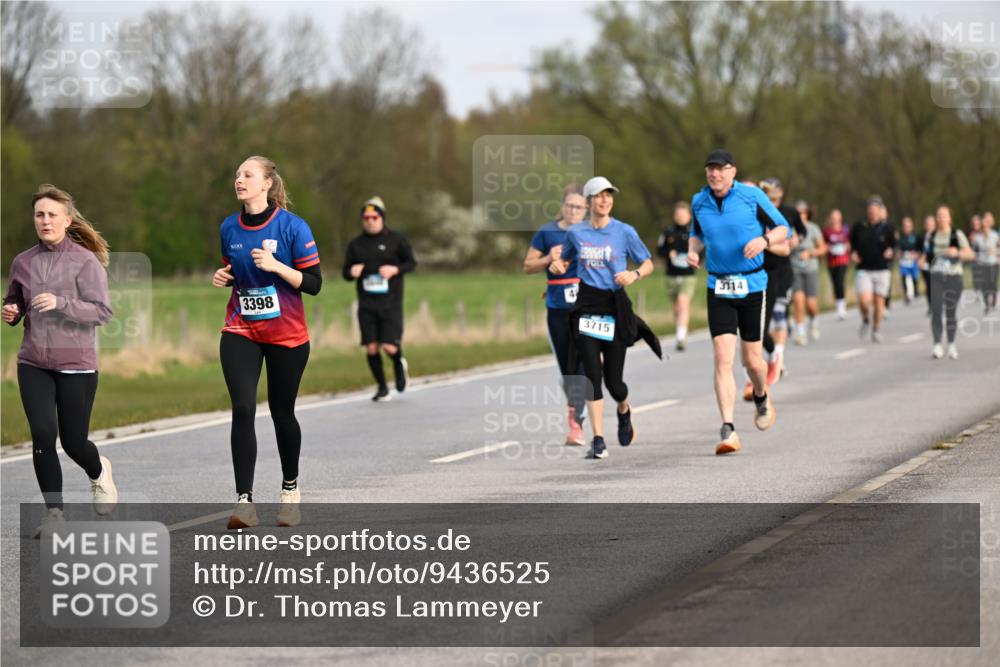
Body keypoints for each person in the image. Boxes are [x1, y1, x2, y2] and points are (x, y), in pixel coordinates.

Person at [212, 156, 321, 529]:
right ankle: (244, 502)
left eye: (247, 175)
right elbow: (236, 269)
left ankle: (290, 492)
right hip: (241, 329)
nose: (239, 180)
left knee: (281, 412)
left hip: (287, 335)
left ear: (267, 184)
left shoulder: (294, 227)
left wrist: (278, 266)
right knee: (243, 408)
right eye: (236, 174)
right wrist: (224, 277)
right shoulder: (229, 226)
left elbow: (314, 283)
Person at [3, 184, 117, 536]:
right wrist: (12, 311)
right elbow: (16, 302)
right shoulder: (22, 262)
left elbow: (103, 312)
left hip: (77, 365)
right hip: (33, 361)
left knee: (73, 442)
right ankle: (55, 514)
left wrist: (61, 303)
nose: (45, 220)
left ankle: (98, 470)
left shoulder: (85, 262)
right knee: (42, 434)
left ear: (67, 220)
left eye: (53, 214)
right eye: (40, 214)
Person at [550, 176, 661, 460]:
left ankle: (623, 408)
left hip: (615, 305)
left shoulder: (624, 232)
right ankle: (598, 439)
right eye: (599, 196)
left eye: (609, 195)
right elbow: (565, 258)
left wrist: (634, 274)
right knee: (592, 375)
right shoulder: (576, 233)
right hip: (586, 305)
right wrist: (558, 264)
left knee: (614, 383)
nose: (605, 200)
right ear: (588, 201)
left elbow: (648, 262)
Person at [687, 151, 788, 455]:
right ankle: (728, 428)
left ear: (732, 171)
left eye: (720, 170)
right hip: (718, 284)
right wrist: (693, 250)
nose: (714, 175)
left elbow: (784, 228)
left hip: (752, 285)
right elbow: (696, 234)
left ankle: (760, 394)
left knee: (752, 361)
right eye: (710, 170)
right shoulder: (698, 201)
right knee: (722, 358)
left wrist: (765, 241)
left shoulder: (752, 196)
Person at [524, 184, 588, 446]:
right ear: (563, 206)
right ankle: (576, 411)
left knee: (585, 363)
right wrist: (548, 258)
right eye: (570, 205)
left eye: (579, 207)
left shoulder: (591, 232)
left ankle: (578, 421)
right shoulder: (547, 232)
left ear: (586, 210)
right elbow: (528, 266)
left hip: (587, 307)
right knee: (567, 370)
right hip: (558, 309)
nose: (574, 211)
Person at [342, 196, 417, 402]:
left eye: (374, 217)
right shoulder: (356, 245)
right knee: (372, 347)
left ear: (381, 218)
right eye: (366, 217)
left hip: (391, 302)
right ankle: (382, 388)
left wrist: (395, 269)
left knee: (389, 346)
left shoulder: (396, 240)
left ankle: (398, 363)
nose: (370, 221)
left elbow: (411, 263)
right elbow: (345, 272)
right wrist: (352, 271)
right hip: (366, 304)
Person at [758, 178, 799, 384]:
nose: (771, 199)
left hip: (781, 272)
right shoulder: (755, 212)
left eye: (774, 196)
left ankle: (777, 357)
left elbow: (794, 238)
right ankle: (772, 353)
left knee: (779, 314)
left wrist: (764, 244)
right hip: (758, 272)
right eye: (766, 194)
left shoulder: (789, 213)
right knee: (759, 326)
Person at [923, 205, 975, 359]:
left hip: (953, 277)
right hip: (937, 277)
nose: (941, 218)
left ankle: (951, 344)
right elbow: (925, 254)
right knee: (936, 311)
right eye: (938, 215)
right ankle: (937, 344)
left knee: (950, 312)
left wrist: (957, 252)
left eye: (944, 215)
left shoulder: (956, 235)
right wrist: (921, 261)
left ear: (949, 218)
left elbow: (970, 254)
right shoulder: (930, 236)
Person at [850, 195, 896, 342]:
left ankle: (876, 329)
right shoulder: (859, 226)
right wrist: (853, 253)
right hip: (864, 268)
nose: (873, 212)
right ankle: (865, 318)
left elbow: (895, 245)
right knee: (864, 300)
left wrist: (891, 251)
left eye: (876, 209)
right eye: (870, 209)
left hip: (882, 268)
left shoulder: (887, 227)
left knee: (878, 302)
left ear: (880, 210)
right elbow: (851, 244)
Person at [657, 201, 698, 351]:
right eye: (678, 215)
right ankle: (679, 329)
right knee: (676, 307)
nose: (681, 217)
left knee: (683, 302)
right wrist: (668, 253)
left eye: (683, 214)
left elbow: (703, 250)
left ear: (689, 215)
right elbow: (659, 250)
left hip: (688, 275)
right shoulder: (668, 232)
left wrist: (694, 257)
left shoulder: (694, 232)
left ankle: (681, 336)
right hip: (671, 275)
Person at [791, 201, 827, 344]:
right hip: (794, 270)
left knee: (811, 304)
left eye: (803, 212)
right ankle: (800, 333)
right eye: (798, 213)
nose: (801, 215)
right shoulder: (790, 229)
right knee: (798, 302)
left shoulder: (813, 228)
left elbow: (823, 248)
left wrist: (810, 253)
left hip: (811, 269)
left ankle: (813, 320)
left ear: (807, 214)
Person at [823, 208, 851, 320]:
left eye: (837, 217)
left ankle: (842, 307)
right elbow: (823, 244)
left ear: (840, 218)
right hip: (831, 261)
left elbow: (849, 243)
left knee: (840, 281)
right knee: (834, 283)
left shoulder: (845, 230)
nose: (835, 219)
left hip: (843, 260)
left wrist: (847, 247)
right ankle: (838, 304)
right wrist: (828, 248)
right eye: (833, 217)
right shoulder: (826, 231)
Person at [897, 216, 922, 305]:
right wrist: (899, 254)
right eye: (905, 226)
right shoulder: (900, 237)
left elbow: (920, 248)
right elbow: (897, 249)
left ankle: (915, 291)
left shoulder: (916, 236)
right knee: (904, 277)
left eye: (908, 226)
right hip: (904, 260)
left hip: (913, 260)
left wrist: (917, 255)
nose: (906, 228)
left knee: (914, 276)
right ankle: (906, 294)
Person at [980, 212, 999, 313]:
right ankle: (987, 304)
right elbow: (974, 250)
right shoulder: (978, 238)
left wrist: (996, 253)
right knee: (984, 284)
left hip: (993, 263)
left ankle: (994, 300)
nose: (985, 227)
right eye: (983, 225)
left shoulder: (995, 235)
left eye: (986, 225)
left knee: (992, 283)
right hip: (982, 263)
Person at [920, 214, 936, 314]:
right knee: (928, 285)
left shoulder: (937, 235)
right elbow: (919, 250)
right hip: (925, 265)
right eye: (927, 223)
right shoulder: (922, 237)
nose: (929, 225)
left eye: (931, 223)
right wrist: (920, 259)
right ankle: (931, 306)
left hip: (936, 263)